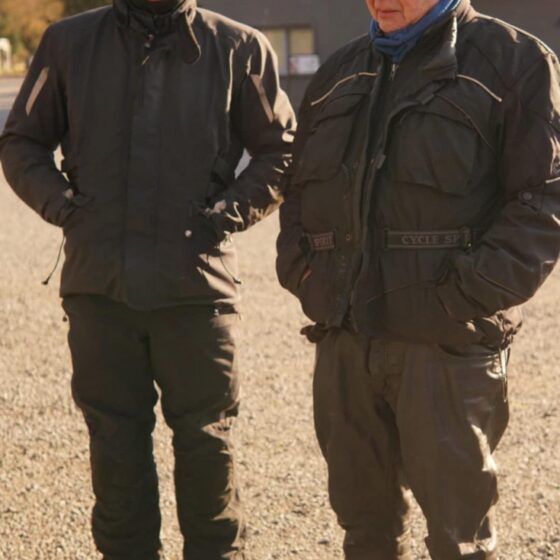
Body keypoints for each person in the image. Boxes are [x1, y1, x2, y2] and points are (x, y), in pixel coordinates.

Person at [0, 0, 295, 558]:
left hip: (198, 289)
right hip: (100, 290)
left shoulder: (238, 48)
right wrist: (66, 207)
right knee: (115, 446)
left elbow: (281, 149)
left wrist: (227, 214)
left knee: (207, 445)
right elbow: (20, 142)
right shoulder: (69, 44)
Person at [276, 0, 560, 558]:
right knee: (364, 529)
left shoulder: (514, 63)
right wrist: (304, 273)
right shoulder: (339, 74)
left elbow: (544, 201)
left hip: (445, 345)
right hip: (345, 340)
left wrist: (463, 296)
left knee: (458, 539)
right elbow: (297, 192)